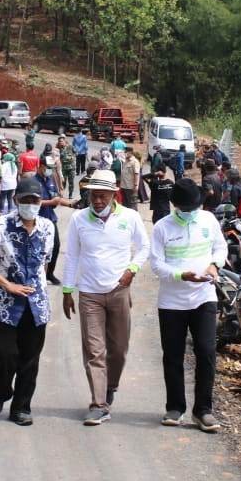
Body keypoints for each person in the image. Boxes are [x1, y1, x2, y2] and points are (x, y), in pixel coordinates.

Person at [61, 169, 149, 425]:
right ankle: (98, 404)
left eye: (102, 196)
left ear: (114, 194)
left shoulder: (130, 217)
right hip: (89, 294)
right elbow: (72, 256)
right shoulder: (79, 219)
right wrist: (68, 290)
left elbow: (144, 247)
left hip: (119, 291)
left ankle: (110, 386)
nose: (97, 201)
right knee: (94, 350)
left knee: (119, 349)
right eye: (93, 196)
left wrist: (132, 270)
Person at [0, 176, 54, 427]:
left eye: (35, 200)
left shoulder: (47, 227)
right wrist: (7, 284)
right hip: (4, 304)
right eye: (25, 200)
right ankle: (1, 391)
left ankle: (21, 407)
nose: (31, 204)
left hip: (35, 303)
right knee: (3, 354)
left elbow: (46, 261)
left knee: (30, 359)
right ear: (15, 200)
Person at [149, 178, 227, 432]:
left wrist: (214, 265)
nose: (191, 211)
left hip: (204, 297)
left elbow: (220, 247)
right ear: (176, 205)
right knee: (173, 355)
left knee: (206, 352)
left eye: (195, 206)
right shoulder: (162, 227)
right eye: (187, 208)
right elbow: (157, 265)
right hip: (172, 301)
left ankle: (203, 410)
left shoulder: (208, 220)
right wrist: (181, 275)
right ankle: (175, 407)